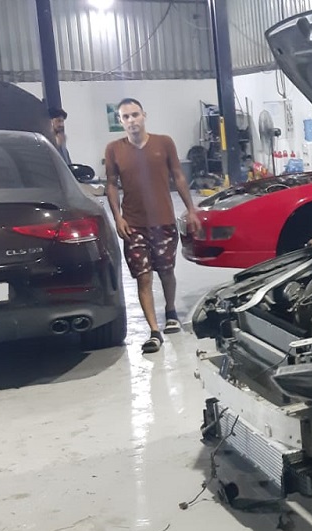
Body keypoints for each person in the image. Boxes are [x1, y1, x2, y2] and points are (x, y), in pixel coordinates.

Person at [104, 97, 200, 353]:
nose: (131, 120)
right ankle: (154, 331)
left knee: (166, 271)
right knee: (143, 277)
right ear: (120, 121)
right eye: (126, 117)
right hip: (133, 225)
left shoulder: (164, 143)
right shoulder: (114, 149)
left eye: (135, 115)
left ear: (144, 115)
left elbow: (178, 176)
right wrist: (118, 217)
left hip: (163, 221)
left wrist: (191, 209)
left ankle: (171, 312)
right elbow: (111, 184)